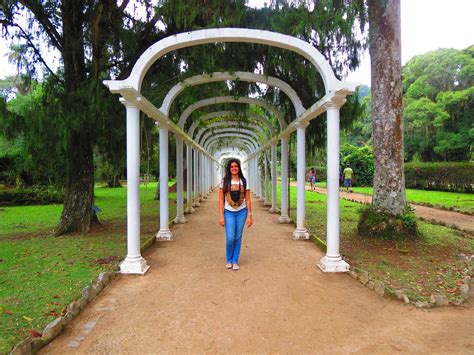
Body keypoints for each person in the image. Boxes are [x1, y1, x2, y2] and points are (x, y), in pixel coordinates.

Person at [219, 159, 253, 271]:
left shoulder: (243, 181)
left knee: (238, 237)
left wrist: (249, 215)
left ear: (239, 168)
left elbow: (248, 199)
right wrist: (221, 215)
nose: (234, 168)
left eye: (236, 166)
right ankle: (228, 259)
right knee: (230, 237)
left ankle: (235, 260)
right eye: (232, 166)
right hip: (228, 212)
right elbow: (220, 199)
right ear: (229, 168)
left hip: (242, 212)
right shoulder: (224, 182)